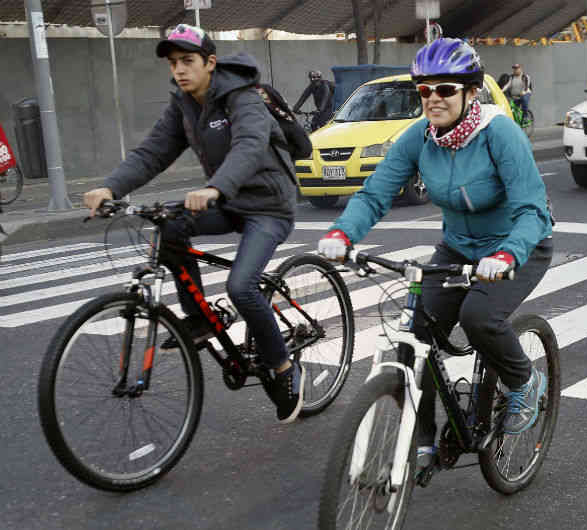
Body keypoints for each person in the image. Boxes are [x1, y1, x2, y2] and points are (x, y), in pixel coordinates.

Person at [316, 38, 554, 471]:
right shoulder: (418, 138)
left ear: (471, 91)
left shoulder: (500, 133)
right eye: (424, 90)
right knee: (414, 339)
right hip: (459, 248)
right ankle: (422, 441)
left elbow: (531, 210)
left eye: (445, 89)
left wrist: (507, 255)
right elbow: (375, 194)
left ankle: (525, 381)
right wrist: (342, 232)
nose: (433, 98)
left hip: (519, 245)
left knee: (478, 317)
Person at [81, 24, 304, 423]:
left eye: (187, 61)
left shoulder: (242, 96)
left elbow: (250, 146)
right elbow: (152, 153)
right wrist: (110, 187)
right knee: (169, 225)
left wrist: (216, 187)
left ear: (210, 62)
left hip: (268, 206)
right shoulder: (183, 105)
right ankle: (200, 318)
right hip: (227, 200)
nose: (179, 70)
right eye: (173, 63)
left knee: (241, 286)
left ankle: (284, 367)